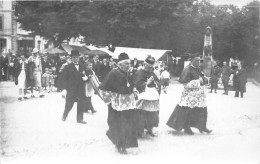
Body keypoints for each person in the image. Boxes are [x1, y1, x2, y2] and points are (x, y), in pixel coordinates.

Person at [99, 53, 138, 154]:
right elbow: (102, 89)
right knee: (119, 125)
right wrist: (109, 102)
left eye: (129, 63)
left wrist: (134, 90)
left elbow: (132, 85)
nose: (128, 65)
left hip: (129, 104)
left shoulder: (129, 73)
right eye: (126, 64)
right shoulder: (113, 73)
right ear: (120, 65)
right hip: (117, 105)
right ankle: (120, 145)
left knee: (129, 124)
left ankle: (128, 145)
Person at [166, 56, 212, 135]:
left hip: (199, 95)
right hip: (189, 95)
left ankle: (202, 126)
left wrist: (205, 79)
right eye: (197, 61)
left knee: (202, 110)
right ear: (192, 61)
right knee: (188, 111)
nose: (199, 62)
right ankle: (187, 127)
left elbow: (202, 76)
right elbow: (185, 83)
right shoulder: (187, 69)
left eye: (199, 61)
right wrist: (199, 82)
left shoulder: (198, 68)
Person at [134, 56, 161, 137]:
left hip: (153, 97)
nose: (150, 69)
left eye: (151, 67)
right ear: (144, 64)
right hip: (143, 96)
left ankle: (150, 129)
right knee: (141, 114)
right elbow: (137, 84)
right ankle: (139, 131)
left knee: (152, 114)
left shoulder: (152, 72)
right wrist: (146, 83)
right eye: (148, 67)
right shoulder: (139, 72)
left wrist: (157, 84)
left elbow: (158, 82)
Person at [60, 50, 87, 124]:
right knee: (69, 104)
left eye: (77, 57)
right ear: (71, 58)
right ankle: (64, 115)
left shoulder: (82, 66)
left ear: (79, 58)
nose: (75, 59)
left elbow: (86, 74)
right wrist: (64, 89)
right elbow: (64, 79)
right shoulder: (67, 67)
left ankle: (80, 119)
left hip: (80, 88)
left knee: (81, 103)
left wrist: (86, 78)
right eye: (74, 57)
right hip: (71, 89)